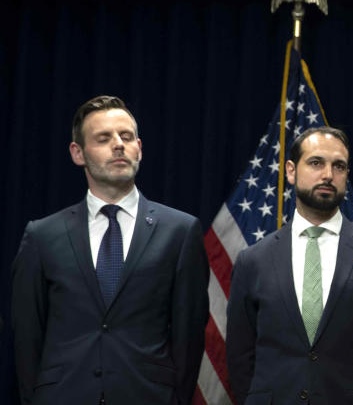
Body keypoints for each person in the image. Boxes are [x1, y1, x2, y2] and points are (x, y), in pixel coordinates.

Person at [11, 95, 209, 405]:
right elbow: (26, 336)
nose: (118, 144)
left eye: (126, 137)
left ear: (139, 149)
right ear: (78, 153)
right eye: (103, 138)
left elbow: (189, 336)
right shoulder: (42, 236)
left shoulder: (180, 232)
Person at [226, 126, 353, 405]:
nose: (328, 174)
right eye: (316, 163)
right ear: (291, 171)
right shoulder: (253, 260)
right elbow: (239, 355)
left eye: (338, 166)